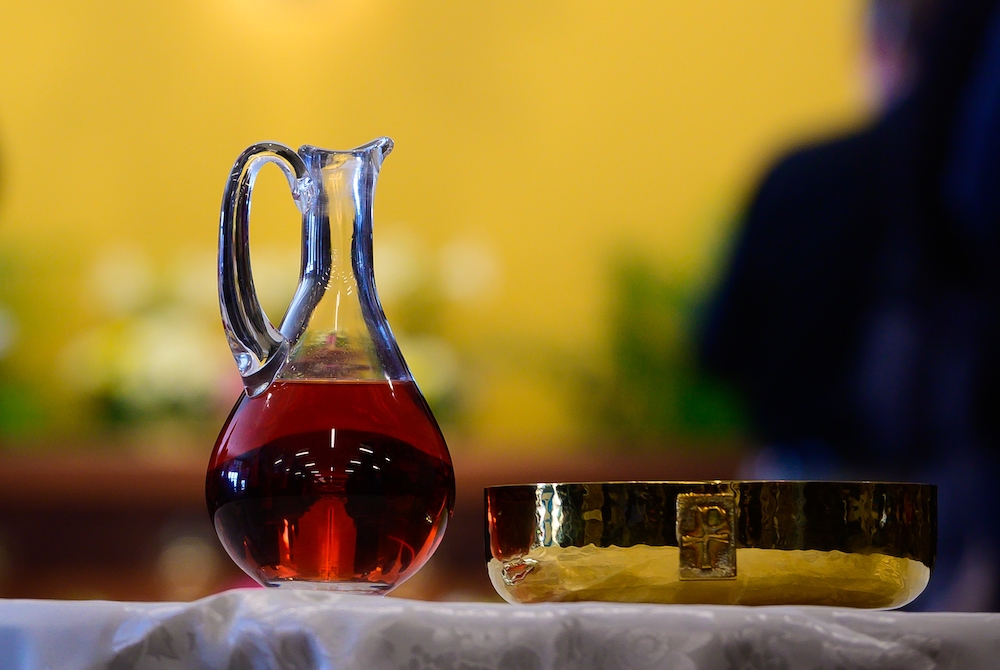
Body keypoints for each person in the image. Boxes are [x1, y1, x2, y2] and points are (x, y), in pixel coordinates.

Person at [701, 0, 1000, 610]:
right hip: (940, 514)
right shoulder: (965, 186)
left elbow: (716, 349)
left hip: (789, 502)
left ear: (879, 49)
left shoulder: (798, 176)